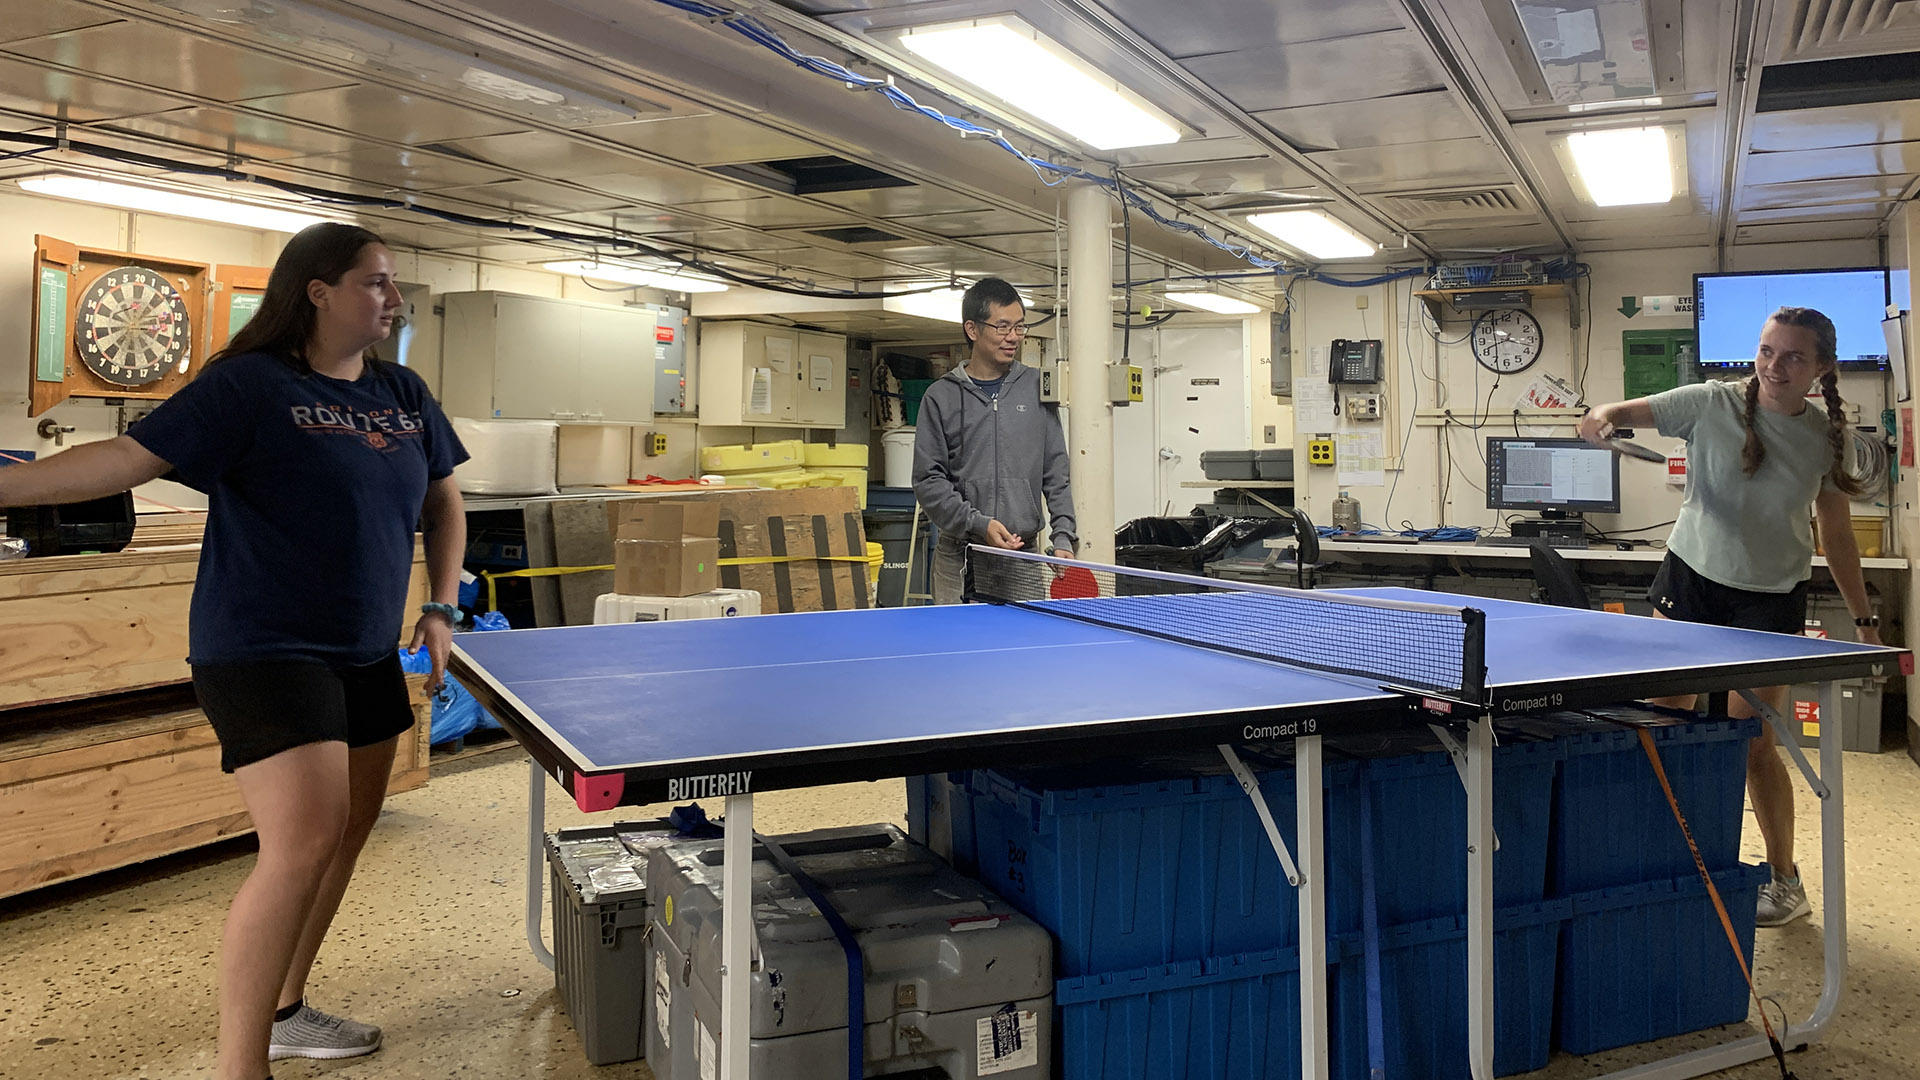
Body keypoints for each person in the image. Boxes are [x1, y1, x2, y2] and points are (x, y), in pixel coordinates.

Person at [0, 222, 468, 1080]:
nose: (393, 300)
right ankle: (238, 1067)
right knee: (300, 844)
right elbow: (122, 460)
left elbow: (444, 500)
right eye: (376, 283)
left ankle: (287, 1012)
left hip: (362, 649)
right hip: (264, 646)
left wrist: (440, 604)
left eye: (393, 284)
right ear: (317, 291)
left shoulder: (402, 391)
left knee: (348, 831)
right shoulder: (250, 386)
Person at [1579, 305, 1880, 928]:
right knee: (1662, 723)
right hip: (1689, 580)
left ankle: (1784, 880)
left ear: (1821, 367)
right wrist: (1602, 420)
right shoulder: (1707, 402)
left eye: (1794, 356)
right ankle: (1654, 860)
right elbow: (1620, 411)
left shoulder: (1826, 438)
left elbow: (1838, 535)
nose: (1774, 365)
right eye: (1767, 350)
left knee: (1754, 744)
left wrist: (1866, 619)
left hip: (1769, 599)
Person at [912, 277, 1076, 603]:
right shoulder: (940, 396)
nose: (1013, 337)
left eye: (1019, 327)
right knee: (957, 651)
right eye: (1002, 327)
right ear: (972, 330)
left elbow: (1056, 471)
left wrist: (1063, 536)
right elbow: (928, 480)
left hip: (1023, 557)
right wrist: (977, 523)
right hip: (959, 555)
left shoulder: (1036, 388)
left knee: (1024, 652)